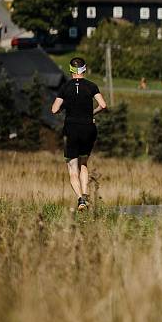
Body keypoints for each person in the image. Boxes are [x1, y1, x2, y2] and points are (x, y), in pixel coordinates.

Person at [51, 57, 107, 211]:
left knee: (72, 168)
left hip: (71, 129)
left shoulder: (65, 87)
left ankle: (81, 199)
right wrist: (91, 113)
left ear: (71, 70)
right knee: (84, 163)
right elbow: (103, 105)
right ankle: (86, 195)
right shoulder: (91, 86)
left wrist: (64, 109)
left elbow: (54, 109)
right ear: (85, 69)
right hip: (88, 128)